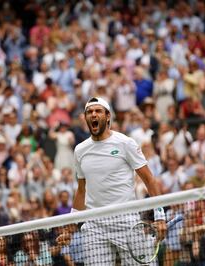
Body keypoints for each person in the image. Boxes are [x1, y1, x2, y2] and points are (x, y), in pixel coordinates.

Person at [56, 97, 166, 265]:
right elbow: (81, 190)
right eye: (89, 112)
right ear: (85, 118)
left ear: (108, 116)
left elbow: (149, 180)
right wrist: (70, 229)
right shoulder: (80, 150)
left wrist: (159, 217)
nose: (93, 114)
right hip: (94, 225)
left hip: (127, 220)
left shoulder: (125, 143)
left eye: (98, 111)